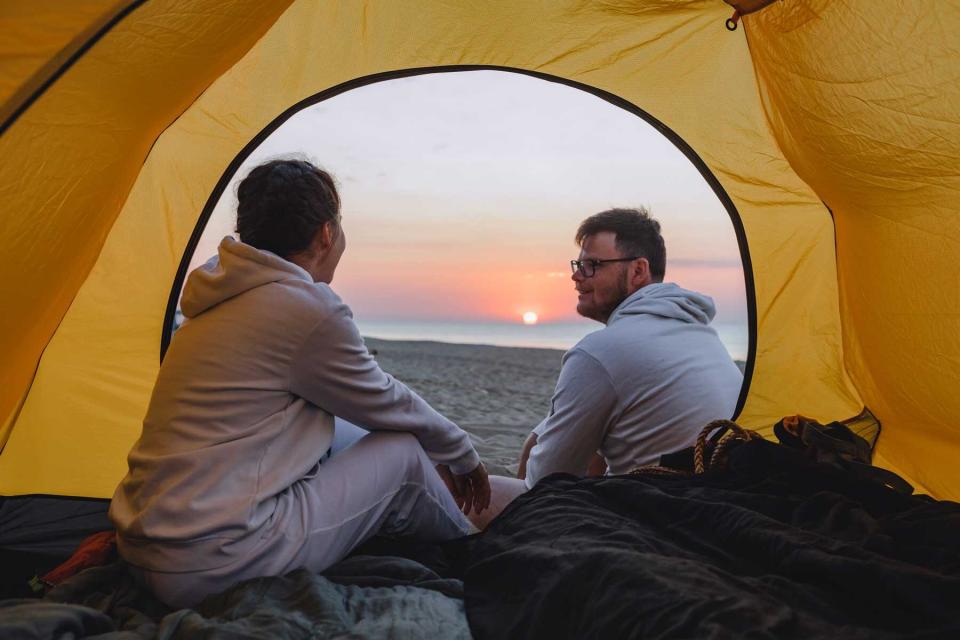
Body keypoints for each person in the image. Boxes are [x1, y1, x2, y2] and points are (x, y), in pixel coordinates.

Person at [109, 159, 490, 607]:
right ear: (326, 234)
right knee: (402, 453)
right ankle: (476, 547)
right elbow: (387, 399)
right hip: (217, 559)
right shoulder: (305, 306)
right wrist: (462, 454)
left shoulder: (218, 296)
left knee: (357, 433)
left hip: (145, 544)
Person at [471, 207, 742, 529]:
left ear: (638, 270)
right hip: (713, 502)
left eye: (591, 266)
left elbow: (543, 482)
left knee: (466, 492)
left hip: (653, 516)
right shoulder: (701, 335)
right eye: (577, 265)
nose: (576, 276)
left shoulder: (600, 351)